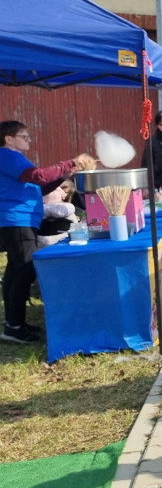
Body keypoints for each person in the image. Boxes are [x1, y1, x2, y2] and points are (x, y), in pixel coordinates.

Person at [0, 121, 95, 344]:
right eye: (24, 136)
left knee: (16, 272)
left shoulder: (12, 159)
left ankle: (14, 323)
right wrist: (71, 162)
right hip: (17, 220)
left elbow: (38, 187)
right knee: (23, 270)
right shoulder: (8, 155)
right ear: (8, 138)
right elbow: (39, 176)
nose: (28, 140)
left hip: (20, 219)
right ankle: (14, 326)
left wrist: (65, 175)